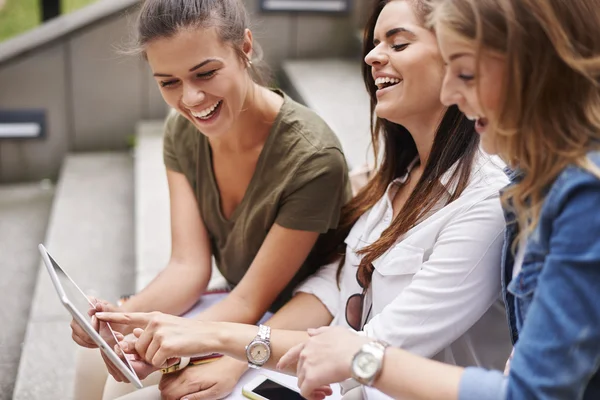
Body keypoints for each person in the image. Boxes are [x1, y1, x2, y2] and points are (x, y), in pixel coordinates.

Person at [96, 0, 514, 398]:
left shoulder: (481, 205)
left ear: (459, 58)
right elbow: (327, 291)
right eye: (375, 43)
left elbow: (372, 349)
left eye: (397, 43)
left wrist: (220, 343)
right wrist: (223, 351)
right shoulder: (398, 182)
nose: (371, 57)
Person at [276, 0, 600, 399]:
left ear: (528, 67)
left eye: (463, 71)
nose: (450, 90)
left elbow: (531, 392)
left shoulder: (580, 194)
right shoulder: (534, 186)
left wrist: (365, 356)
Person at [70, 0, 352, 399]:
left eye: (205, 73)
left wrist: (164, 342)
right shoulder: (183, 134)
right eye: (168, 82)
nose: (191, 98)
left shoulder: (312, 159)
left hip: (297, 325)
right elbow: (188, 266)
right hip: (236, 308)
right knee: (94, 358)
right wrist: (118, 316)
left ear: (245, 48)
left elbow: (251, 298)